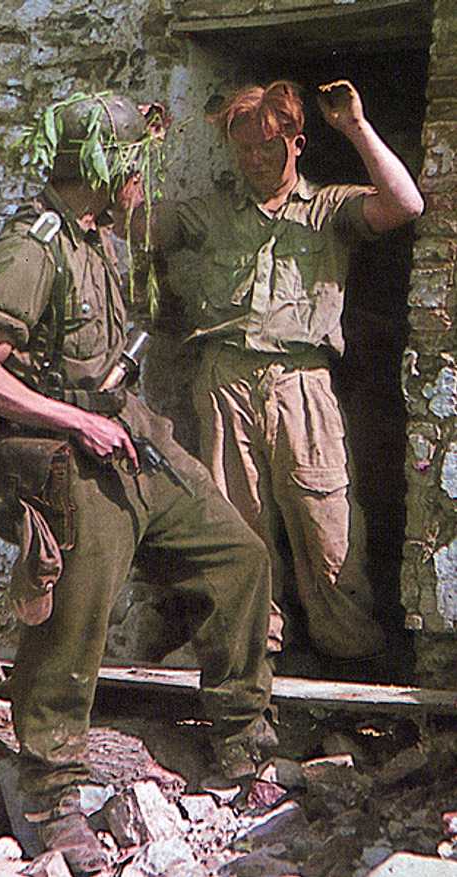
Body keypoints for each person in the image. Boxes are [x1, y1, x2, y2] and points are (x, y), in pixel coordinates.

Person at [0, 93, 277, 875]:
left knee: (238, 553)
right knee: (74, 623)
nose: (142, 176)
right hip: (64, 456)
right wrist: (76, 423)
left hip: (123, 431)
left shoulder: (97, 234)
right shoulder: (30, 249)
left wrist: (117, 418)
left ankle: (242, 745)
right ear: (99, 168)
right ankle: (49, 797)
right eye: (133, 163)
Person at [123, 78, 424, 672]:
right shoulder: (210, 213)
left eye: (269, 144)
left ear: (297, 142)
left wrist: (356, 128)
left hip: (303, 383)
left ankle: (350, 652)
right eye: (244, 148)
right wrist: (141, 147)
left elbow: (406, 205)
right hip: (225, 380)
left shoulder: (328, 209)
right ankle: (250, 649)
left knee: (327, 523)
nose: (257, 158)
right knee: (236, 525)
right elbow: (135, 225)